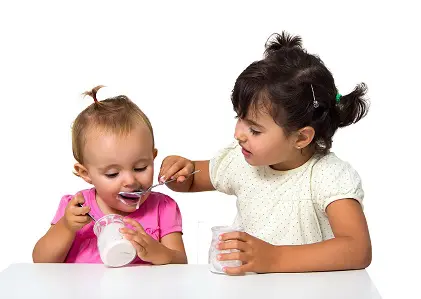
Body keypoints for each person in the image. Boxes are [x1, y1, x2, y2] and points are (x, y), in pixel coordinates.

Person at [159, 31, 371, 274]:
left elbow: (357, 249)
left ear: (301, 137)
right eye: (239, 117)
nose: (238, 133)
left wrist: (274, 258)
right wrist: (180, 171)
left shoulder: (327, 176)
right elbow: (192, 178)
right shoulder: (242, 161)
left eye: (255, 129)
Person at [33, 85, 187, 265]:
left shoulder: (163, 208)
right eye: (113, 174)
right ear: (85, 173)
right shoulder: (76, 207)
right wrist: (66, 227)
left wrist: (159, 253)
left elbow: (181, 264)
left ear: (153, 158)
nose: (130, 181)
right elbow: (41, 261)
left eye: (140, 168)